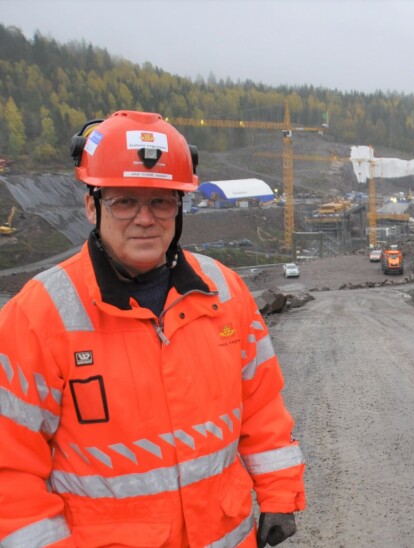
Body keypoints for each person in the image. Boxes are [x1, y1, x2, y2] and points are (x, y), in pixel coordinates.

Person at [0, 111, 306, 547]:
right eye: (124, 201)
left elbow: (261, 408)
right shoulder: (38, 315)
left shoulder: (224, 292)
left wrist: (278, 492)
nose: (145, 218)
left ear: (179, 208)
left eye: (160, 201)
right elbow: (9, 472)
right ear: (92, 205)